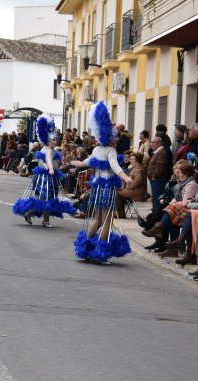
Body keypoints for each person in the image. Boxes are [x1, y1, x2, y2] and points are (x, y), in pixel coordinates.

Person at [71, 101, 133, 263]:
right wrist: (126, 177)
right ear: (109, 137)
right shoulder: (110, 151)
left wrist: (77, 163)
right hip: (106, 189)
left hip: (98, 188)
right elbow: (114, 166)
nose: (117, 139)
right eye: (115, 136)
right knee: (107, 220)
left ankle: (85, 248)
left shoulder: (97, 149)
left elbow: (87, 162)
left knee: (98, 219)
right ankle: (100, 252)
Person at [12, 115, 75, 228]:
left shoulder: (45, 148)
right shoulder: (49, 151)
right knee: (47, 199)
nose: (56, 141)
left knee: (45, 199)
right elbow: (49, 160)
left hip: (44, 177)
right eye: (53, 139)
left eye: (56, 139)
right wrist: (51, 168)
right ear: (48, 140)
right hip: (47, 178)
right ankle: (44, 220)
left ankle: (31, 214)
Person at [148, 136, 169, 209]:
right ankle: (155, 213)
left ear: (159, 143)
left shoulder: (161, 152)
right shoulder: (157, 152)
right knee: (155, 197)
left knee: (157, 197)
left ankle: (156, 214)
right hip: (155, 179)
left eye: (154, 142)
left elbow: (160, 166)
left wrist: (154, 176)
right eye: (151, 142)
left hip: (157, 180)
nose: (151, 144)